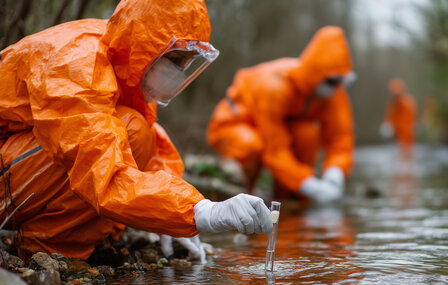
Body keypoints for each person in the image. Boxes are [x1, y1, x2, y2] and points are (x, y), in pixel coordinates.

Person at [0, 0, 272, 262]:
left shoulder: (119, 55)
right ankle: (47, 252)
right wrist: (197, 212)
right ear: (148, 43)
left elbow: (153, 148)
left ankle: (88, 239)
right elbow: (101, 168)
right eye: (176, 59)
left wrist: (168, 220)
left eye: (185, 64)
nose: (178, 72)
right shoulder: (75, 63)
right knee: (122, 132)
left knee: (138, 130)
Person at [207, 26, 356, 204]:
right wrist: (306, 182)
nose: (336, 87)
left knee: (307, 134)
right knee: (251, 145)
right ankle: (236, 196)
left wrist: (335, 171)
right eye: (333, 81)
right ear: (317, 74)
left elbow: (340, 137)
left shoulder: (333, 91)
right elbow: (275, 149)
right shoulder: (274, 87)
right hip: (233, 125)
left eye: (341, 82)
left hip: (272, 133)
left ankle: (290, 201)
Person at [380, 78, 417, 155]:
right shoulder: (394, 103)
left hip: (406, 135)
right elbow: (390, 115)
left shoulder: (406, 103)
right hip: (399, 135)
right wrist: (387, 124)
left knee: (406, 151)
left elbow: (410, 121)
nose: (393, 95)